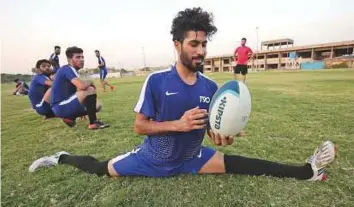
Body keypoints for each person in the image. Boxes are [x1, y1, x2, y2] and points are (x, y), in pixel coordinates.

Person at [29, 7, 336, 182]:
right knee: (100, 169)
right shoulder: (157, 80)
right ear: (177, 44)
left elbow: (214, 130)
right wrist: (179, 124)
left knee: (245, 162)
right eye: (194, 44)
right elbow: (139, 126)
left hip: (192, 158)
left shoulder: (211, 88)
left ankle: (306, 171)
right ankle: (61, 157)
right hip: (152, 160)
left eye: (204, 44)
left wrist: (223, 134)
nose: (201, 50)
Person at [50, 46, 109, 130]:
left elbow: (80, 90)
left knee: (97, 106)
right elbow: (82, 86)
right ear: (69, 59)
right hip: (60, 106)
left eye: (82, 57)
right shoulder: (67, 68)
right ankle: (93, 123)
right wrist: (91, 81)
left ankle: (70, 118)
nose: (81, 59)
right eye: (78, 57)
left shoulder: (74, 70)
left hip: (64, 104)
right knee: (89, 89)